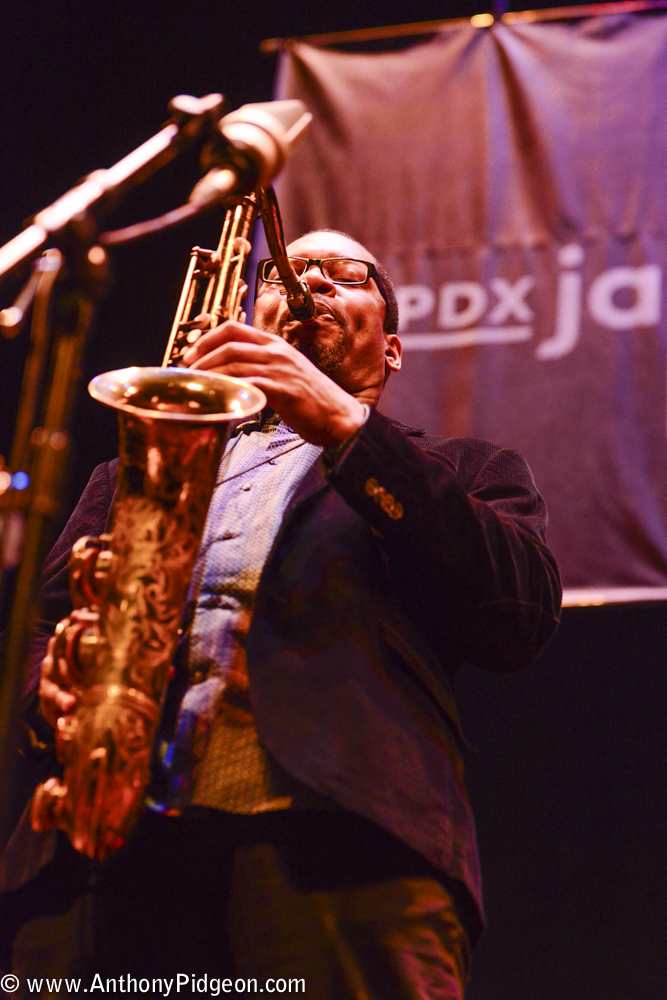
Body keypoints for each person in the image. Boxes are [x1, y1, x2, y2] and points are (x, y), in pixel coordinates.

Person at [1, 230, 561, 999]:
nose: (310, 285)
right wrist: (50, 696)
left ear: (391, 349)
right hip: (92, 855)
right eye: (286, 274)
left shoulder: (467, 470)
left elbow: (518, 611)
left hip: (342, 846)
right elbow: (41, 623)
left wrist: (342, 426)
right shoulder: (133, 463)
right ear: (250, 318)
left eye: (345, 275)